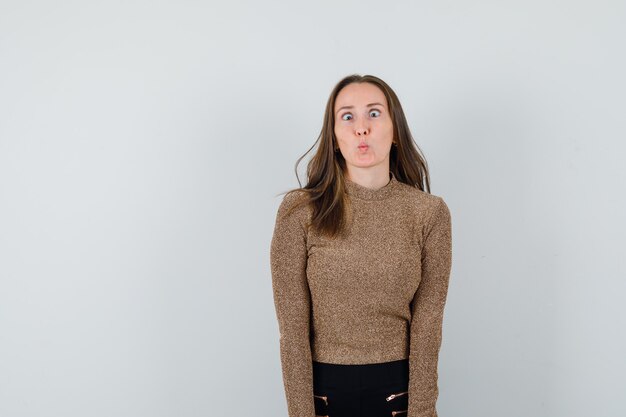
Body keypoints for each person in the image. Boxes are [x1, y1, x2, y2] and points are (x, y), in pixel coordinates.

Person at [270, 74, 453, 417]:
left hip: (398, 397)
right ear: (335, 137)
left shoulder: (429, 213)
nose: (361, 128)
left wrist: (423, 413)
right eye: (347, 116)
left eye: (373, 113)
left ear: (395, 130)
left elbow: (428, 326)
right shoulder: (299, 212)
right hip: (324, 399)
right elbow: (292, 331)